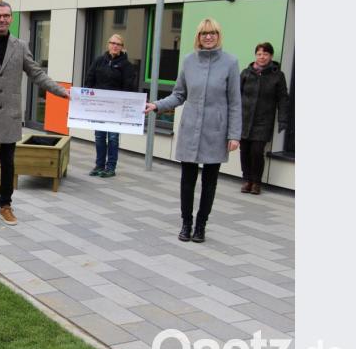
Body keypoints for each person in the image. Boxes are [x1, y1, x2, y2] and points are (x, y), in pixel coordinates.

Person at [0, 1, 69, 226]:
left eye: (6, 16)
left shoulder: (20, 46)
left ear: (11, 19)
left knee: (9, 162)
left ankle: (5, 206)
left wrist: (61, 92)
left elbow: (37, 74)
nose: (2, 19)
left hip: (10, 113)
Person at [145, 18, 241, 243]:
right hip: (190, 128)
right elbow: (179, 94)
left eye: (213, 33)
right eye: (204, 33)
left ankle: (201, 225)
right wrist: (157, 105)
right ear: (198, 37)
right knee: (187, 180)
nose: (208, 37)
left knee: (210, 182)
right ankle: (186, 223)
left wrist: (234, 134)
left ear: (219, 35)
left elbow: (235, 102)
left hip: (215, 131)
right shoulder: (188, 61)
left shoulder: (230, 62)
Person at [83, 34, 137, 178]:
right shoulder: (99, 61)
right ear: (108, 44)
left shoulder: (127, 66)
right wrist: (86, 98)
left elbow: (129, 87)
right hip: (99, 107)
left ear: (122, 47)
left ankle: (110, 167)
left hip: (116, 109)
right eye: (112, 43)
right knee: (99, 136)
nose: (115, 46)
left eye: (118, 44)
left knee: (113, 137)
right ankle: (99, 165)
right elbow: (89, 79)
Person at [239, 42, 290, 195]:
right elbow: (235, 95)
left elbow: (283, 99)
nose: (262, 57)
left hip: (264, 120)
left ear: (271, 56)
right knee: (244, 150)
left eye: (265, 54)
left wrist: (283, 119)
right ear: (256, 55)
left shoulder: (277, 76)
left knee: (256, 151)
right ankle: (247, 180)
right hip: (244, 119)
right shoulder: (246, 73)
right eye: (259, 54)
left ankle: (256, 182)